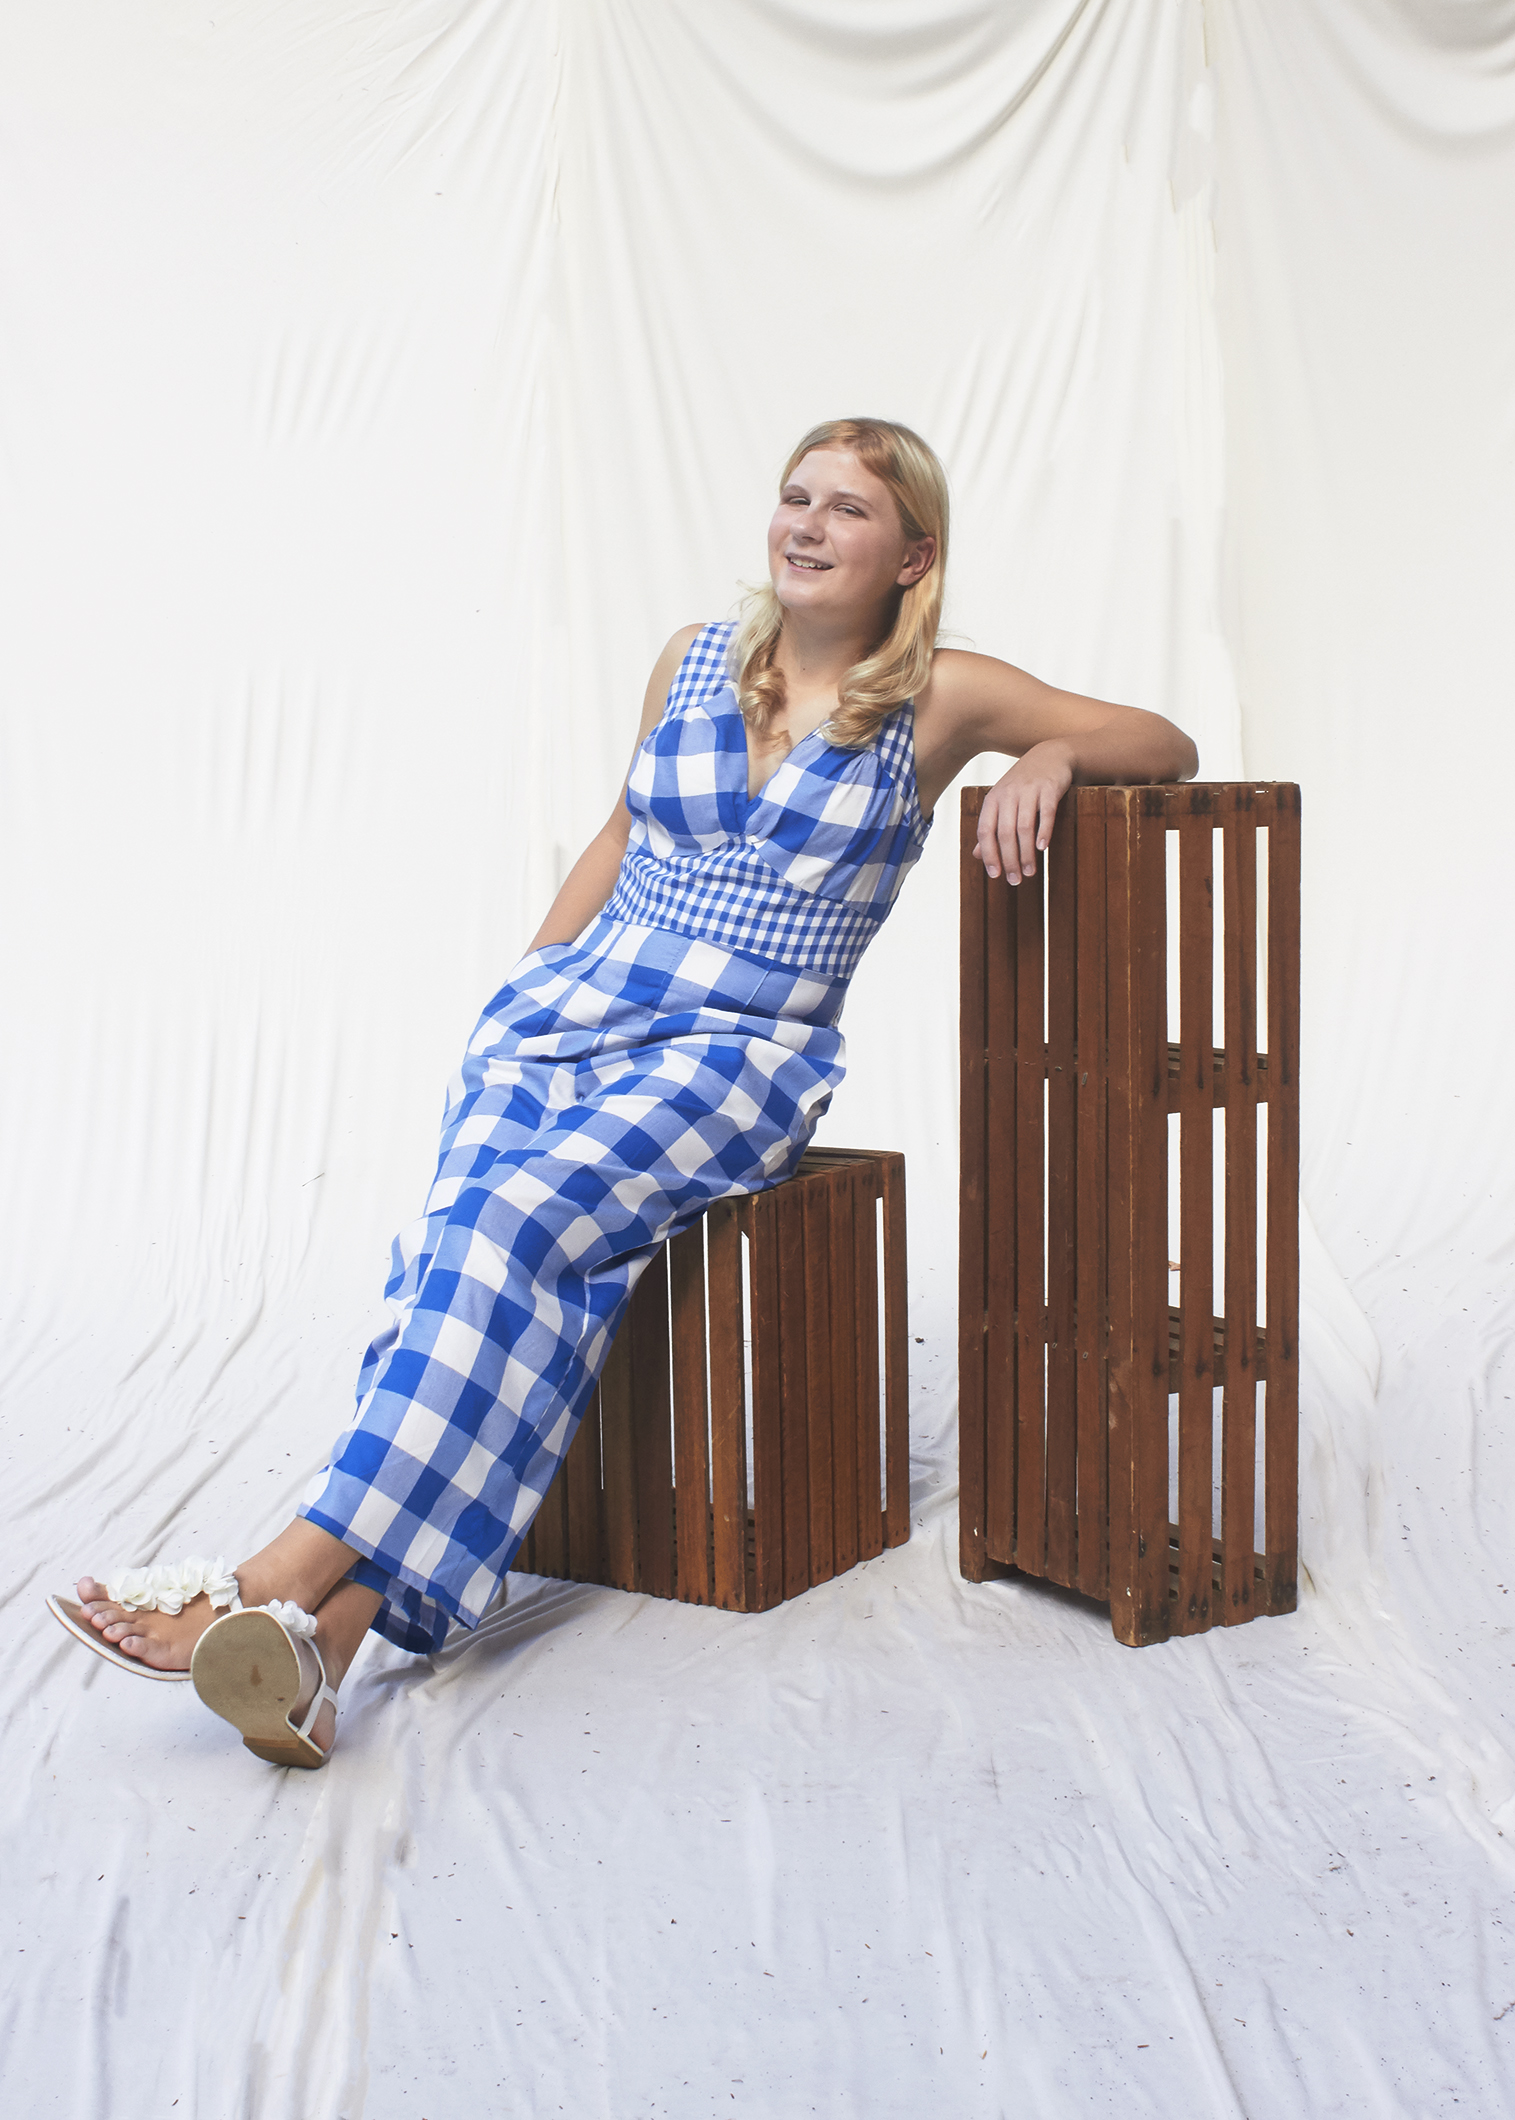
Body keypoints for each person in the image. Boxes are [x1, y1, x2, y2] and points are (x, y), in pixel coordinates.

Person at [48, 418, 1198, 1766]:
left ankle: (268, 1581)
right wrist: (519, 994)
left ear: (913, 554)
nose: (808, 525)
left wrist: (1050, 757)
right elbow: (619, 833)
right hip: (568, 1015)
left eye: (847, 509)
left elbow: (1161, 736)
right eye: (794, 497)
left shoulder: (944, 697)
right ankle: (338, 1636)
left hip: (737, 1053)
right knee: (455, 1259)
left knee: (511, 1232)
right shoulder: (695, 659)